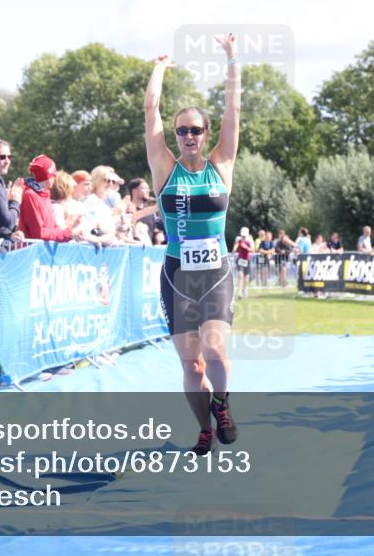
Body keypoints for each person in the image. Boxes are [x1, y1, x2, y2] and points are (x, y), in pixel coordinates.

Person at [145, 35, 239, 457]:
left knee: (215, 349)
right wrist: (159, 68)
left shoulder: (222, 164)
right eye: (181, 130)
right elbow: (150, 111)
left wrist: (231, 59)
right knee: (191, 364)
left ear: (205, 134)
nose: (188, 135)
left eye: (195, 130)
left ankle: (222, 404)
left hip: (215, 273)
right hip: (177, 276)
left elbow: (233, 110)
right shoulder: (164, 167)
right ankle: (204, 428)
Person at [19, 154, 90, 242]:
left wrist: (71, 234)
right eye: (54, 174)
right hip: (32, 249)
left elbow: (54, 227)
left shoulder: (45, 194)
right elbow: (39, 233)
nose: (55, 177)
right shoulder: (30, 195)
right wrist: (69, 233)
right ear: (48, 177)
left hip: (44, 249)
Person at [233, 227, 254, 298]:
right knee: (240, 275)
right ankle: (239, 293)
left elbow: (253, 250)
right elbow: (234, 248)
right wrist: (234, 249)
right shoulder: (238, 239)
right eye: (242, 235)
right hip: (240, 260)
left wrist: (246, 247)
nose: (243, 237)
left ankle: (245, 290)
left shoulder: (250, 240)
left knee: (246, 277)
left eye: (244, 236)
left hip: (247, 260)